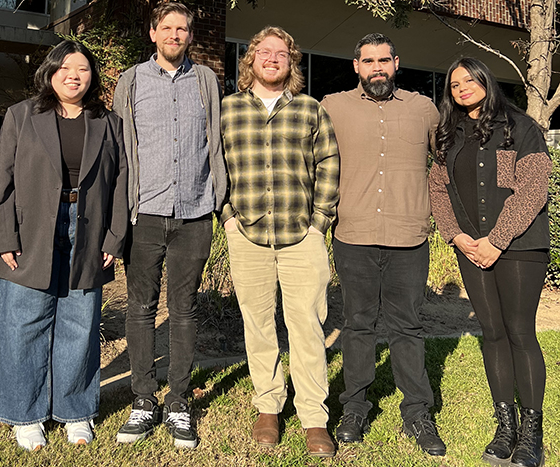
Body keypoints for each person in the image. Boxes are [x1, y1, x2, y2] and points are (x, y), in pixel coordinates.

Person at [0, 40, 128, 451]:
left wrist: (114, 237)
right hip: (31, 230)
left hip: (88, 231)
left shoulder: (107, 121)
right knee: (23, 323)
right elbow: (3, 180)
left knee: (79, 324)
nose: (74, 75)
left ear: (92, 76)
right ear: (50, 72)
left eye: (82, 68)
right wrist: (3, 238)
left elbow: (120, 182)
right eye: (65, 67)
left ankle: (75, 412)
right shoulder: (22, 115)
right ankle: (25, 414)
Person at [321, 33, 446, 456]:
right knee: (358, 325)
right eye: (368, 61)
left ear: (397, 63)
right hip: (352, 235)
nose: (377, 67)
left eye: (384, 60)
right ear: (356, 65)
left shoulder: (422, 109)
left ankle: (417, 413)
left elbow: (448, 162)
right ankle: (354, 407)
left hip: (408, 237)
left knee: (407, 327)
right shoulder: (332, 106)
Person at [221, 26, 339, 458]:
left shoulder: (310, 109)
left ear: (291, 63)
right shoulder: (227, 110)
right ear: (250, 60)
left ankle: (313, 417)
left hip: (300, 236)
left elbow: (328, 163)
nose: (272, 58)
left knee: (307, 326)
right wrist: (228, 218)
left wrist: (319, 222)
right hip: (247, 233)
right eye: (264, 52)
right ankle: (268, 406)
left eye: (282, 53)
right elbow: (215, 167)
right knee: (258, 324)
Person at [111, 2, 225, 450]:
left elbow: (214, 139)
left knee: (184, 309)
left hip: (195, 213)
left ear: (190, 36)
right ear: (153, 33)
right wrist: (119, 212)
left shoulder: (206, 80)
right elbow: (120, 148)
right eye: (168, 28)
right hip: (144, 214)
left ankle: (178, 401)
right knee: (140, 308)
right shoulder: (131, 81)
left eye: (183, 29)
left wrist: (221, 203)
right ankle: (144, 399)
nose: (175, 35)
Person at [429, 57, 551, 467]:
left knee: (519, 332)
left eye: (468, 80)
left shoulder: (521, 127)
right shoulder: (448, 134)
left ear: (485, 80)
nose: (461, 87)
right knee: (492, 333)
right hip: (471, 247)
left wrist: (497, 240)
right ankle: (506, 428)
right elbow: (439, 192)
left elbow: (533, 189)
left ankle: (532, 436)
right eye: (453, 83)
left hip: (519, 247)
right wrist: (458, 237)